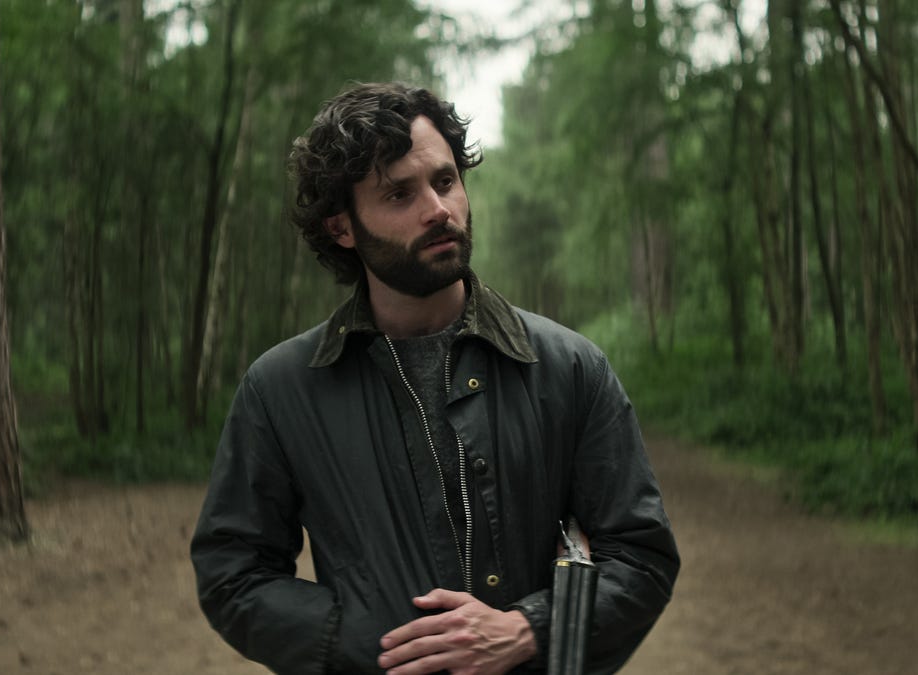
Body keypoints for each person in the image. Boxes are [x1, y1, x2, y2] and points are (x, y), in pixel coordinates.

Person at [190, 81, 679, 675]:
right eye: (399, 194)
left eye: (445, 181)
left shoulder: (568, 368)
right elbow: (232, 574)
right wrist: (369, 640)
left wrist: (528, 629)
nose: (438, 210)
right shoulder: (282, 389)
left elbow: (641, 557)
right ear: (341, 228)